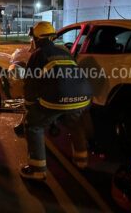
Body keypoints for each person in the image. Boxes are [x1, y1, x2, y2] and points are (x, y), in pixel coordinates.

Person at [18, 21, 92, 180]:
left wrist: (30, 106)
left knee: (33, 126)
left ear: (36, 39)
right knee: (75, 122)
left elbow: (30, 83)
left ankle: (37, 169)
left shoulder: (38, 54)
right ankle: (81, 160)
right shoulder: (64, 51)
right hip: (83, 97)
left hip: (58, 98)